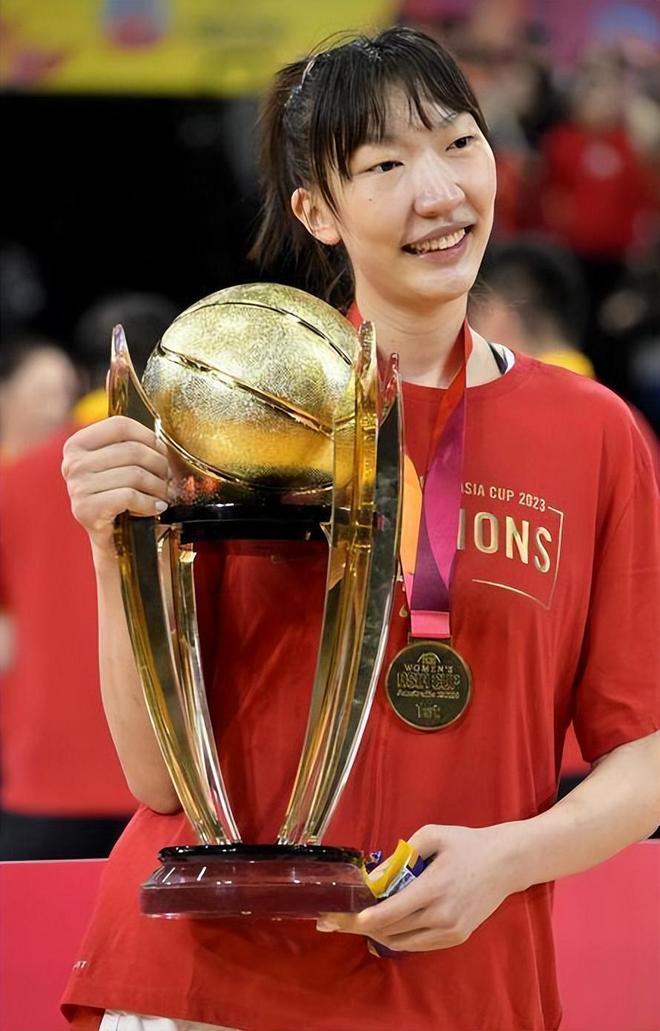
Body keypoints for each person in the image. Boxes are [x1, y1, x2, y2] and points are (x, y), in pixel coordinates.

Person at [60, 27, 659, 1031]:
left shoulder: (594, 434)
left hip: (457, 983)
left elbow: (644, 756)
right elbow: (156, 774)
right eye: (384, 165)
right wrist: (111, 545)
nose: (439, 192)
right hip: (213, 980)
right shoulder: (233, 409)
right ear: (316, 211)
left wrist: (504, 859)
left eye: (459, 143)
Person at [0, 294, 176, 861]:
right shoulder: (202, 483)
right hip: (172, 783)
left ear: (82, 375)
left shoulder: (17, 480)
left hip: (43, 779)